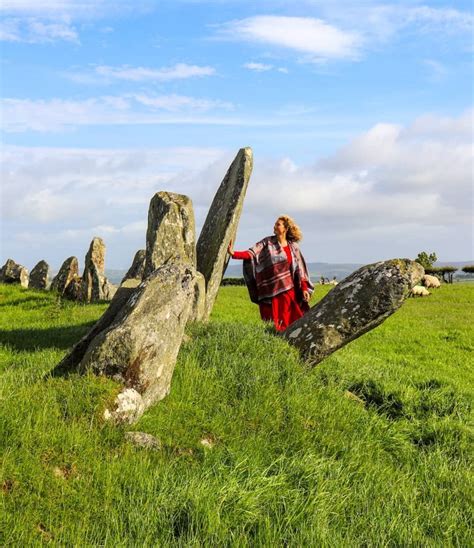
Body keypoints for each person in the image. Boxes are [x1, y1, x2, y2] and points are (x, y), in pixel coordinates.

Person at [227, 215, 313, 331]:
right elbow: (251, 253)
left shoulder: (294, 247)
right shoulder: (267, 242)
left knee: (293, 324)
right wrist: (234, 253)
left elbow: (300, 271)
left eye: (278, 224)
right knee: (274, 326)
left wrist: (304, 288)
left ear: (285, 228)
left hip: (290, 293)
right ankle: (275, 345)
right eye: (275, 224)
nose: (274, 226)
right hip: (271, 293)